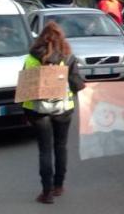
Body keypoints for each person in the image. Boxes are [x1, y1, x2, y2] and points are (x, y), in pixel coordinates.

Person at [22, 21, 86, 204]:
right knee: (60, 146)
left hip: (38, 110)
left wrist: (25, 112)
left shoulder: (31, 58)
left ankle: (46, 192)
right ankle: (59, 186)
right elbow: (77, 85)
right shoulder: (68, 57)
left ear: (41, 37)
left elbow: (25, 87)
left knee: (45, 150)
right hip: (63, 109)